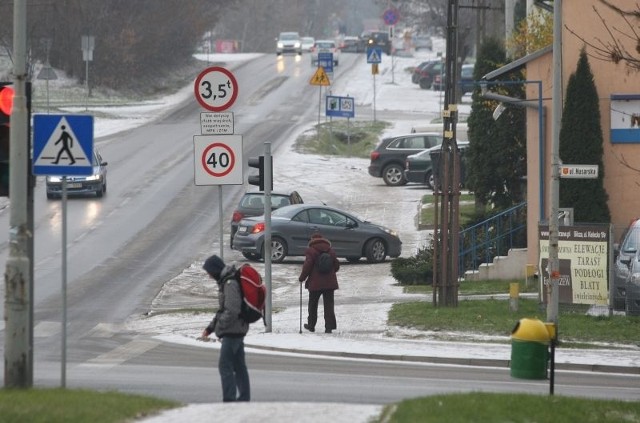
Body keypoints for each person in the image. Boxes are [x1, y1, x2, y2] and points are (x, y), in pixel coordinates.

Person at [201, 255, 250, 402]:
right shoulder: (226, 281)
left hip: (232, 331)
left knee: (225, 366)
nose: (209, 276)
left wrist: (220, 328)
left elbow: (231, 310)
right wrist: (209, 329)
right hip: (236, 329)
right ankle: (244, 399)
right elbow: (222, 310)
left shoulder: (229, 283)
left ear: (215, 269)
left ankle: (229, 400)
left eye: (209, 272)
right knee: (239, 366)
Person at [299, 232, 340, 333]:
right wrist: (330, 273)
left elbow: (307, 266)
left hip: (315, 283)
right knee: (329, 305)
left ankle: (311, 325)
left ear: (312, 240)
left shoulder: (311, 251)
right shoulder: (331, 251)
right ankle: (329, 327)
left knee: (313, 304)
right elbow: (337, 265)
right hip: (330, 283)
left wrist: (302, 277)